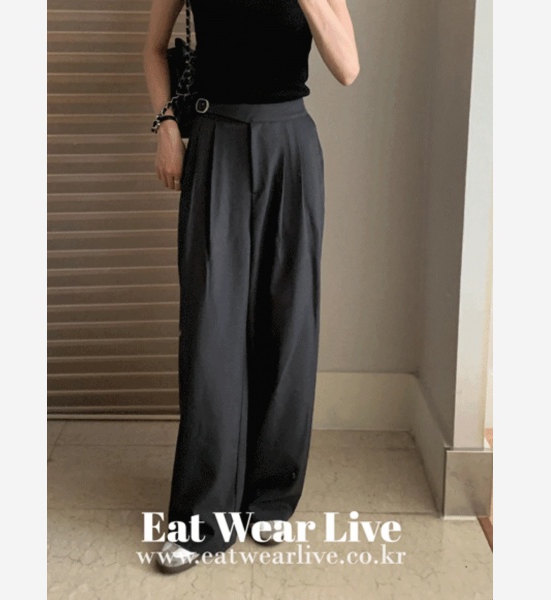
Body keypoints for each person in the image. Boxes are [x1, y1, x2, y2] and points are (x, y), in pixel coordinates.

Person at [142, 0, 359, 574]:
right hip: (216, 142)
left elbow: (347, 67)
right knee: (210, 328)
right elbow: (153, 48)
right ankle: (200, 517)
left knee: (290, 324)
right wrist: (167, 126)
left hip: (292, 147)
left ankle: (270, 498)